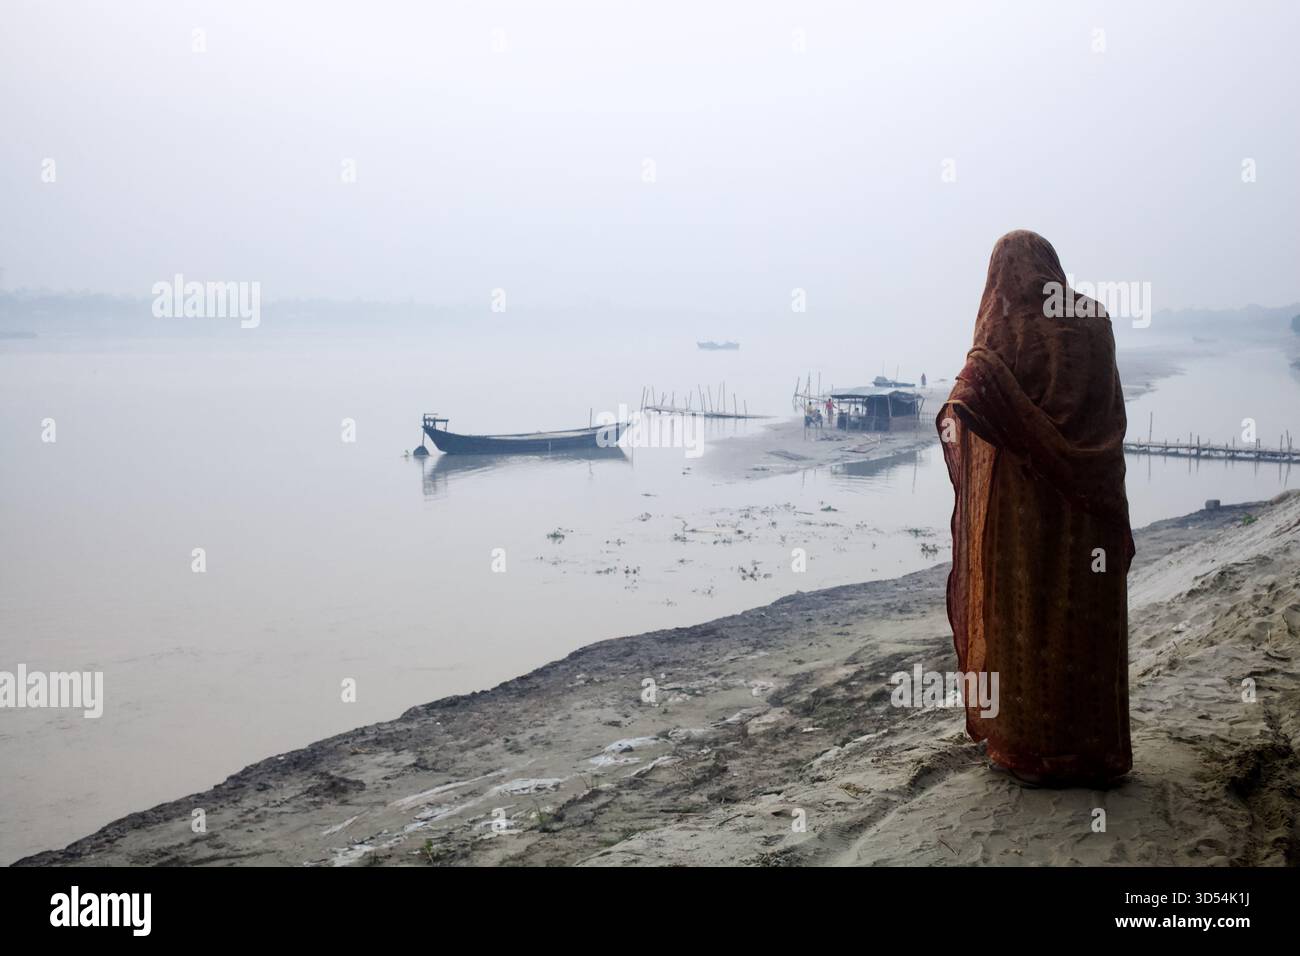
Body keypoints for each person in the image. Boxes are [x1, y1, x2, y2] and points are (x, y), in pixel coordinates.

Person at [936, 230, 1133, 787]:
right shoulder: (1094, 321)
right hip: (1091, 507)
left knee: (1023, 619)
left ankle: (1030, 750)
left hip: (1024, 508)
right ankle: (1091, 754)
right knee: (1084, 622)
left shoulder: (1005, 326)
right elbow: (1113, 412)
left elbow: (973, 394)